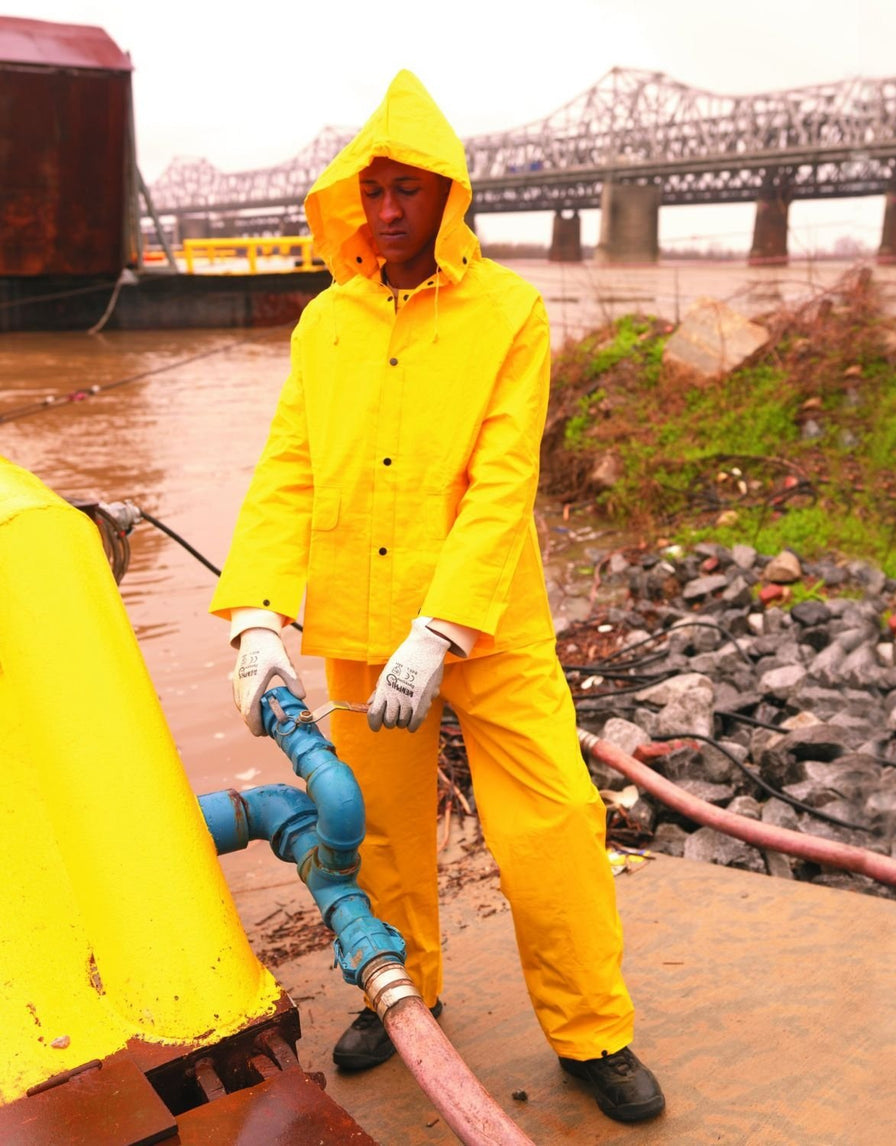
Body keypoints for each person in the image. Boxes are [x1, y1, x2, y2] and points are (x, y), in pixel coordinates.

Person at [210, 69, 664, 1125]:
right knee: (373, 833)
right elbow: (289, 470)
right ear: (352, 200)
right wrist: (257, 620)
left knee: (552, 826)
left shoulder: (508, 313)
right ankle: (396, 983)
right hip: (364, 630)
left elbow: (504, 482)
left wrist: (441, 628)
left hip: (487, 630)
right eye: (373, 192)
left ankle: (592, 1032)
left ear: (448, 198)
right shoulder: (324, 323)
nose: (386, 210)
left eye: (408, 191)